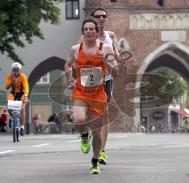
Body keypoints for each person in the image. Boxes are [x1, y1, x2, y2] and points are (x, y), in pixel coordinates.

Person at [64, 17, 118, 174]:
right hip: (80, 91)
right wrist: (70, 79)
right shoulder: (75, 49)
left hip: (98, 94)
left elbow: (116, 71)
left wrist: (105, 61)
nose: (89, 31)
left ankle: (95, 161)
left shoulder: (106, 48)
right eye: (86, 29)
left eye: (91, 29)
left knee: (97, 131)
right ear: (83, 32)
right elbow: (67, 65)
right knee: (79, 119)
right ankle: (83, 135)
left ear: (96, 32)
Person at [90, 7, 120, 165]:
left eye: (104, 16)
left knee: (105, 114)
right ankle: (89, 133)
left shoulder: (110, 35)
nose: (101, 18)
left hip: (106, 78)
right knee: (90, 113)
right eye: (98, 16)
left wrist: (116, 57)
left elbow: (116, 52)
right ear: (92, 19)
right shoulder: (86, 36)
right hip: (90, 78)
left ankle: (101, 151)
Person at [5, 62, 29, 136]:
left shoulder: (23, 77)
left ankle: (21, 127)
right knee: (9, 105)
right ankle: (12, 118)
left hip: (21, 93)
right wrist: (11, 82)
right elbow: (7, 87)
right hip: (13, 93)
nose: (15, 72)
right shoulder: (10, 76)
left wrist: (25, 95)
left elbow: (26, 87)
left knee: (22, 108)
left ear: (20, 70)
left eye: (16, 70)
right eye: (13, 70)